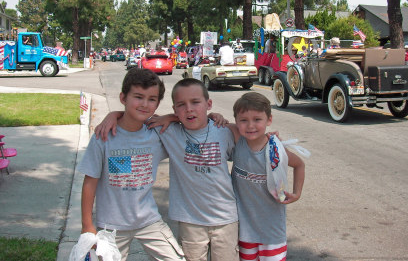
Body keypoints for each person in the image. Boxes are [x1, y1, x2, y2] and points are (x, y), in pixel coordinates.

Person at [95, 78, 239, 261]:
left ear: (208, 104)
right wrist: (113, 115)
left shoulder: (225, 130)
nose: (189, 109)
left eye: (195, 102)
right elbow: (135, 116)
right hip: (190, 221)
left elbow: (255, 137)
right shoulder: (169, 131)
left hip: (226, 218)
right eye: (181, 105)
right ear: (174, 109)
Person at [78, 68, 185, 261]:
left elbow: (192, 120)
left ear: (158, 103)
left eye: (152, 99)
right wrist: (87, 226)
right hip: (111, 226)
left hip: (149, 220)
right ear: (123, 97)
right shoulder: (103, 136)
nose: (145, 104)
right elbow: (90, 182)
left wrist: (170, 117)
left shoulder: (158, 134)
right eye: (138, 97)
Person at [228, 92, 305, 261]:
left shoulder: (275, 149)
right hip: (244, 231)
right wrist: (214, 115)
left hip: (272, 231)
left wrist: (297, 193)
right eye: (243, 120)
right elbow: (212, 123)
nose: (250, 126)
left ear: (269, 120)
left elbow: (299, 164)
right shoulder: (237, 140)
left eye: (257, 119)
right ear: (236, 121)